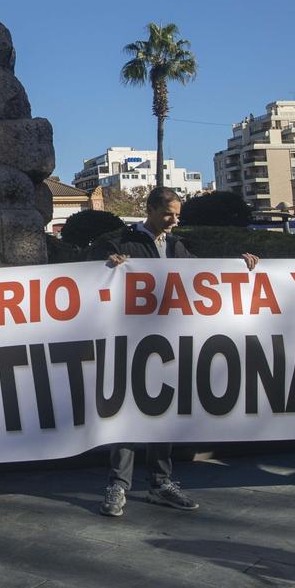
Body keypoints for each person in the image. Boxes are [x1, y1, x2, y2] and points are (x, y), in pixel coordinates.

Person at [94, 188, 258, 518]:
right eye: (169, 213)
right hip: (131, 342)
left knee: (161, 412)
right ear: (151, 210)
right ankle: (118, 485)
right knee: (127, 414)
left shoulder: (177, 246)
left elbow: (205, 274)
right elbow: (92, 276)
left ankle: (160, 483)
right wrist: (108, 265)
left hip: (167, 344)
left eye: (177, 213)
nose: (175, 219)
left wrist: (240, 266)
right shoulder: (120, 243)